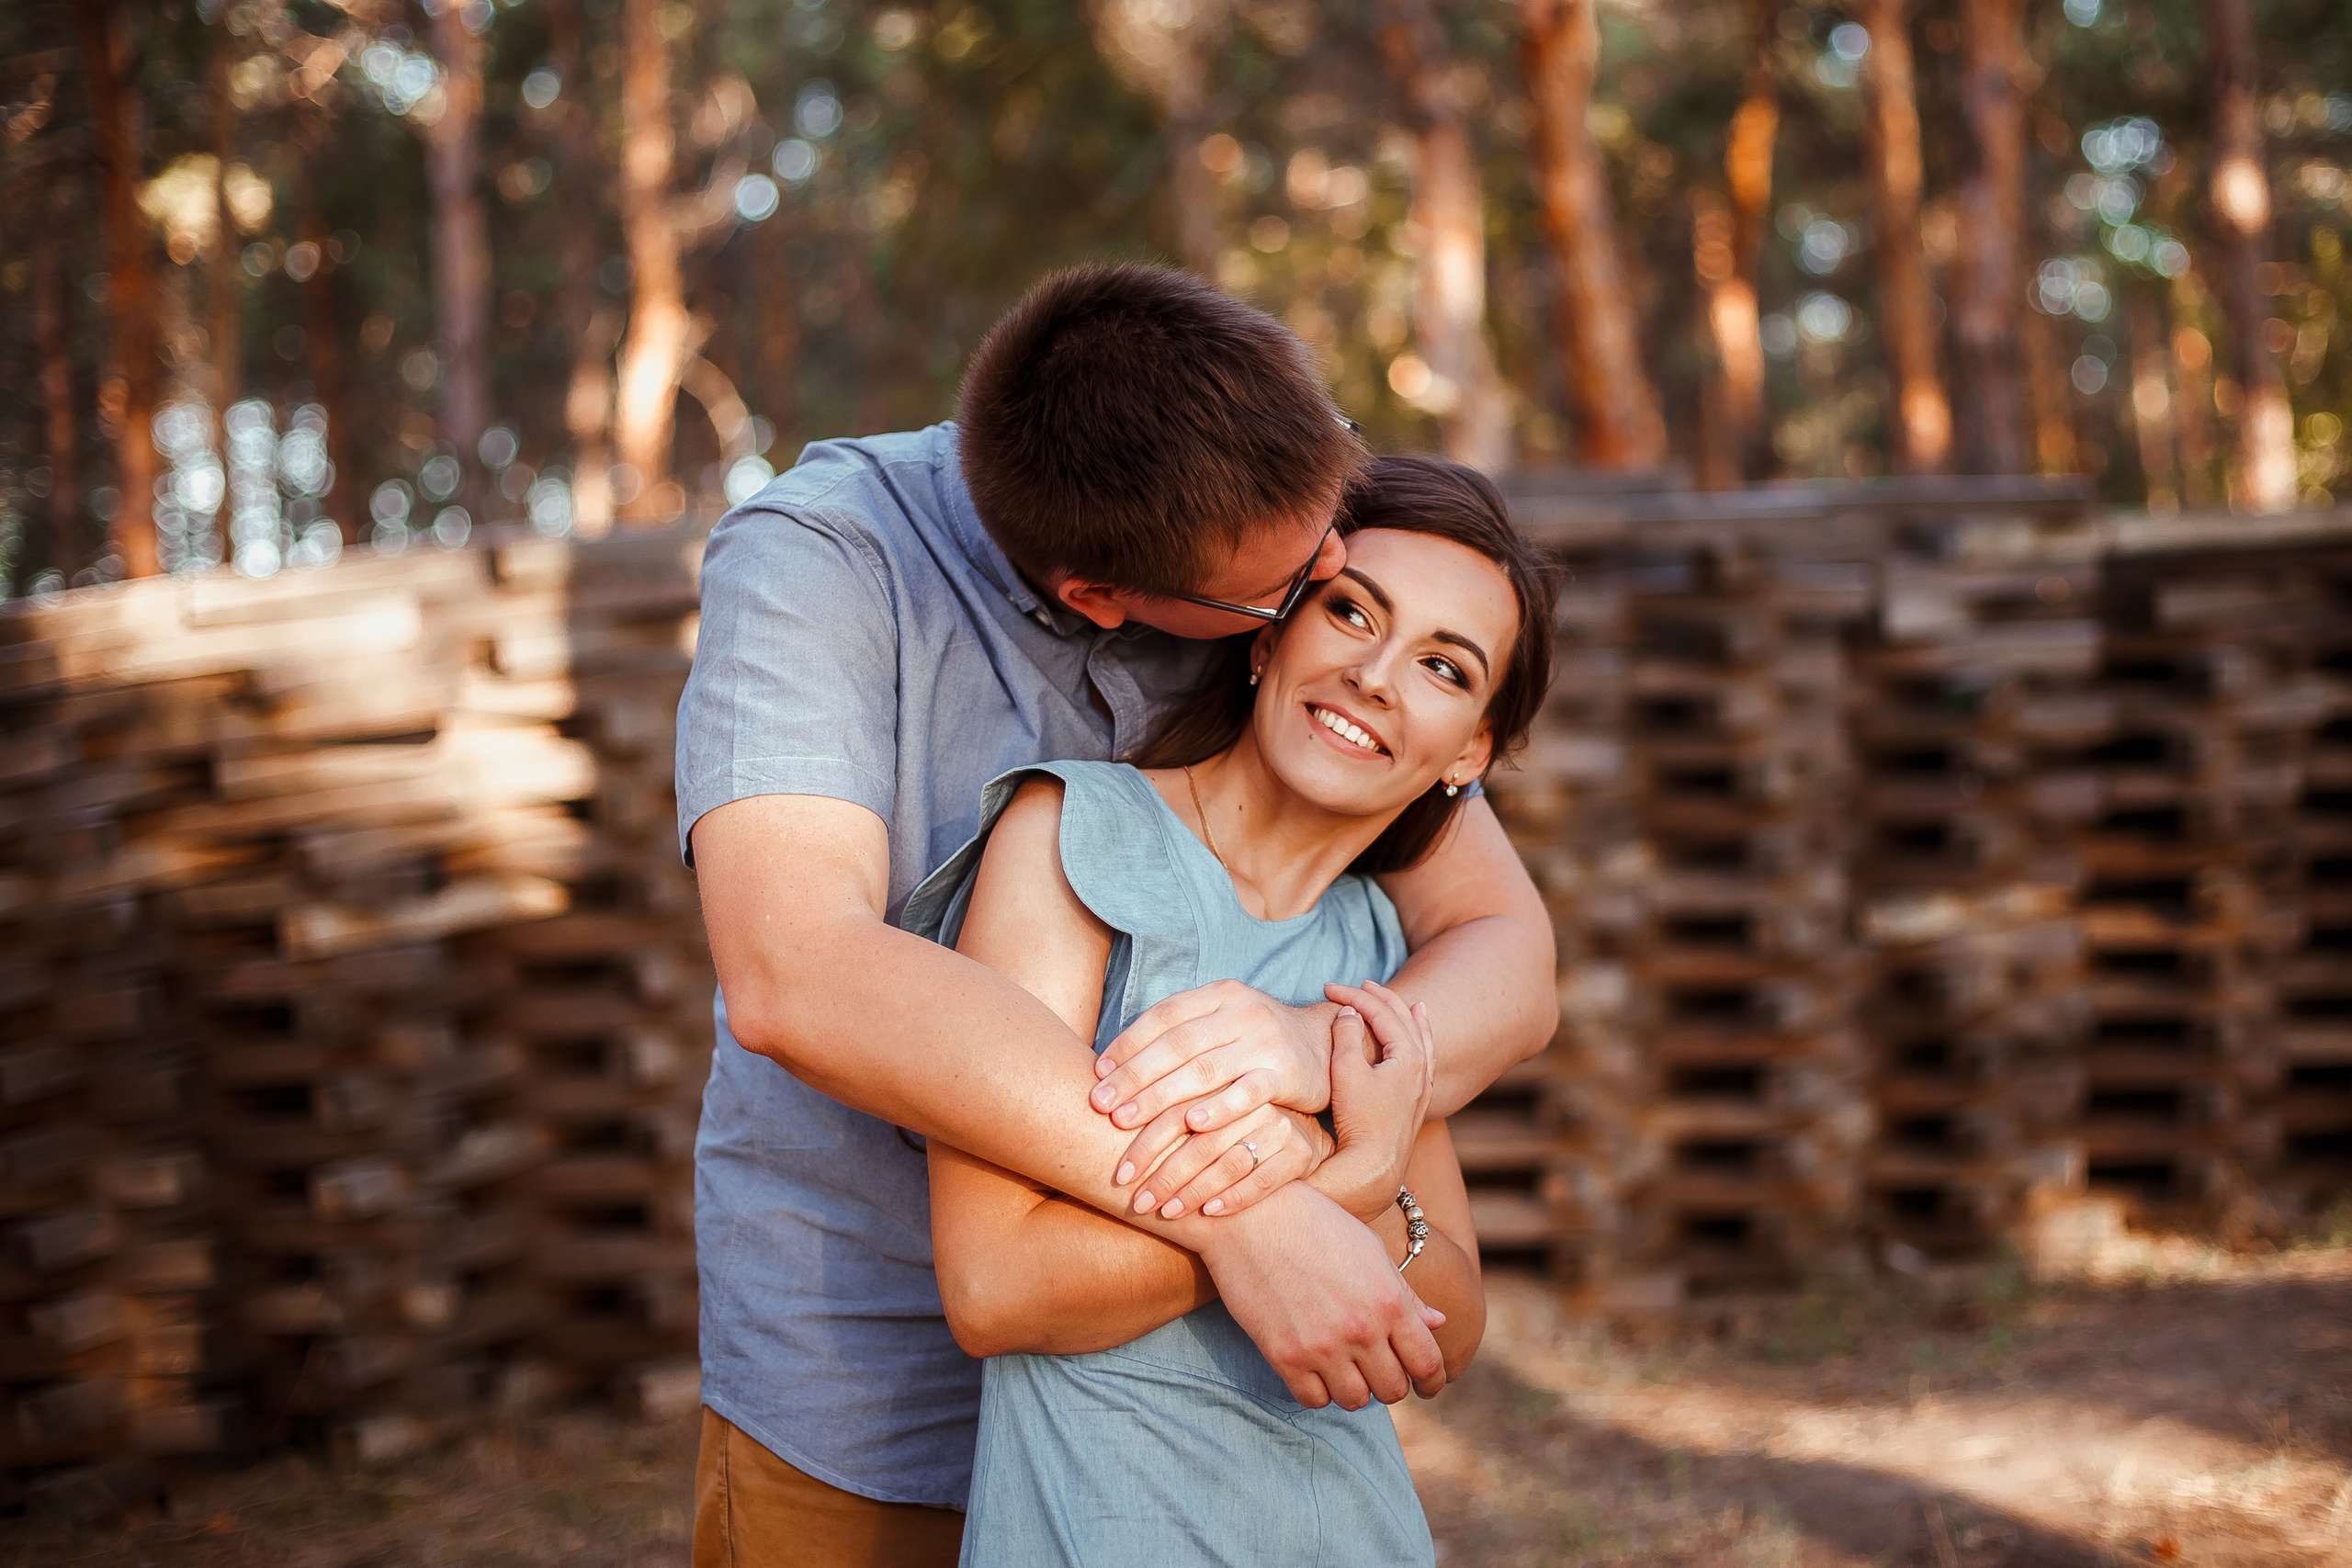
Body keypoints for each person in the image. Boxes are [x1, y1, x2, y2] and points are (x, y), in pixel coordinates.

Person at [681, 264, 1558, 1567]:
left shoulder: (1269, 527)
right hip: (874, 1384)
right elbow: (797, 971)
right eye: (1303, 599)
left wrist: (1311, 1045)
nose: (1337, 587)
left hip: (1228, 1433)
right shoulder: (827, 567)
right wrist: (1265, 1210)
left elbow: (1509, 953)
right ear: (1104, 594)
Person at [908, 457, 1556, 1565]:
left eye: (1443, 669)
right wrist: (1345, 1175)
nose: (1375, 676)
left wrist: (1354, 1177)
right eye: (1351, 612)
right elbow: (996, 1288)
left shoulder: (1381, 952)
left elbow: (1448, 1332)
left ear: (1470, 756)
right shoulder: (1071, 840)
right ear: (1267, 637)